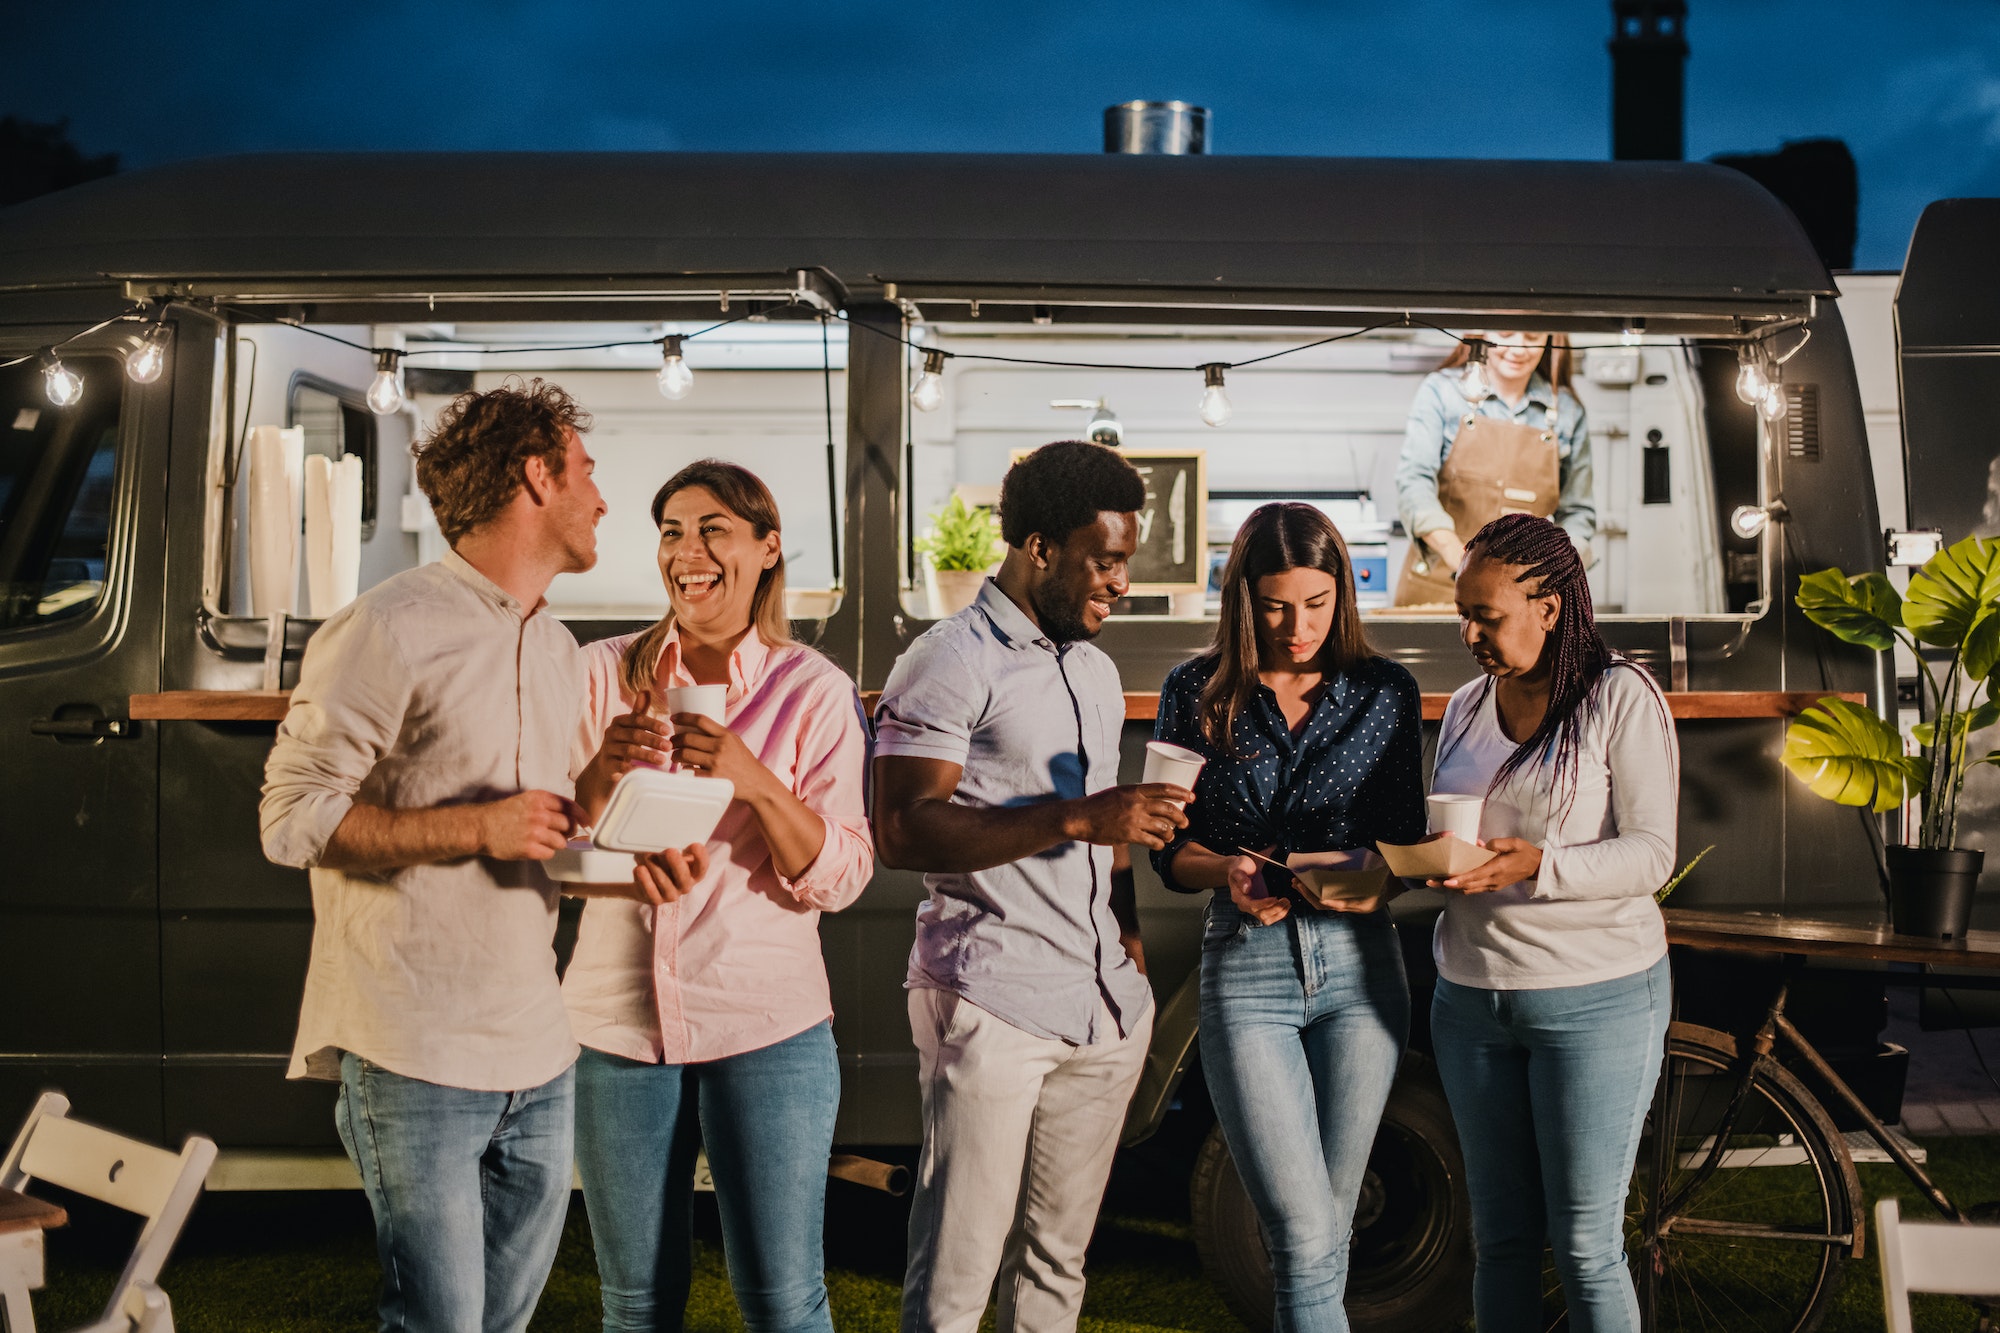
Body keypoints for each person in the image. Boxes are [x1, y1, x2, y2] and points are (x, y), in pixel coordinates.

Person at [262, 379, 654, 1333]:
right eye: (587, 472)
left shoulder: (560, 648)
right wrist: (473, 827)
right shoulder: (388, 625)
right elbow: (290, 817)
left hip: (537, 1046)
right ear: (536, 474)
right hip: (413, 1048)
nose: (602, 497)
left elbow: (544, 826)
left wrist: (601, 781)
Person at [871, 440, 1190, 1333]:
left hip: (1100, 1011)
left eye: (1128, 560)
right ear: (1040, 547)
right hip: (993, 1001)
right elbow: (901, 829)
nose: (1121, 581)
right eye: (1107, 560)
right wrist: (1079, 819)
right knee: (956, 1276)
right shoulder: (948, 660)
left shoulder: (1090, 666)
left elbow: (1104, 820)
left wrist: (1125, 940)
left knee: (1058, 1264)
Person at [563, 460, 874, 1333]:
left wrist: (752, 778)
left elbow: (843, 874)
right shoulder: (597, 675)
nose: (688, 552)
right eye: (671, 531)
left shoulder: (812, 689)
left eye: (713, 530)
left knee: (782, 1302)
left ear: (768, 549)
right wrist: (597, 778)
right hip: (615, 1020)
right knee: (635, 1306)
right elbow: (540, 839)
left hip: (765, 1024)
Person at [1151, 502, 1425, 1333]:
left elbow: (1403, 850)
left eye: (1316, 602)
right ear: (1243, 598)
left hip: (1363, 968)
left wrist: (1355, 878)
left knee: (1327, 1229)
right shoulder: (1194, 692)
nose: (1297, 625)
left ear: (1342, 591)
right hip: (1247, 969)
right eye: (1275, 606)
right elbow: (1169, 851)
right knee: (1302, 1230)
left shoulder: (1387, 692)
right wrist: (1227, 869)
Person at [1426, 512, 1678, 1333]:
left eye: (1485, 615)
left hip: (1596, 999)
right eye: (1461, 613)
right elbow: (1455, 839)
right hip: (1469, 1000)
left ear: (1552, 605)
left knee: (1585, 1243)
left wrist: (1541, 863)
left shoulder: (1619, 697)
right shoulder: (1466, 707)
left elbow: (1651, 856)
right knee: (1497, 1237)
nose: (1469, 632)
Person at [1393, 331, 1594, 607]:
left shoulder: (1568, 412)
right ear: (1479, 332)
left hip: (1522, 599)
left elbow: (1579, 514)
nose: (1518, 348)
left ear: (1550, 337)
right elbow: (1413, 482)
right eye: (1506, 334)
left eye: (1532, 337)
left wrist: (1553, 571)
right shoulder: (1442, 392)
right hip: (1439, 589)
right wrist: (1460, 558)